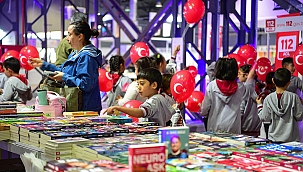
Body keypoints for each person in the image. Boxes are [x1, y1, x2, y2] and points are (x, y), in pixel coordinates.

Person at [30, 21, 102, 112]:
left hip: (86, 110)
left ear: (80, 36)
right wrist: (44, 65)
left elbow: (86, 84)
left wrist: (64, 77)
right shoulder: (74, 54)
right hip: (75, 107)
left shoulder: (87, 57)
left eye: (70, 34)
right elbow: (63, 70)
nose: (67, 38)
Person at [200, 58, 255, 134]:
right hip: (234, 128)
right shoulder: (240, 87)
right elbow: (250, 86)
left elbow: (204, 110)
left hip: (214, 128)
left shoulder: (212, 86)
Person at [105, 68, 175, 126]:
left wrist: (118, 108)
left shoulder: (154, 100)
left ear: (154, 85)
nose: (138, 87)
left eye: (142, 84)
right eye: (138, 84)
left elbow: (141, 112)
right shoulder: (160, 98)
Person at [256, 68, 303, 142]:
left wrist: (259, 105)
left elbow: (265, 118)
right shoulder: (294, 97)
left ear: (273, 81)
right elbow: (299, 116)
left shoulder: (268, 98)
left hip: (273, 139)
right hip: (291, 139)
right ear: (288, 83)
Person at [238, 64, 261, 136]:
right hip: (258, 127)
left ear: (247, 75)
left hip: (245, 127)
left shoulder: (244, 88)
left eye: (239, 74)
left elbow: (241, 108)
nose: (237, 76)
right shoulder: (260, 87)